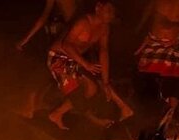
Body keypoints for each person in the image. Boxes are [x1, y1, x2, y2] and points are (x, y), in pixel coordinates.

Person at [47, 0, 133, 129]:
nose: (111, 15)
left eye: (113, 12)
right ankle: (61, 114)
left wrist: (105, 81)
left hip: (76, 60)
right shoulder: (83, 22)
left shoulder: (104, 27)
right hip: (58, 58)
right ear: (98, 8)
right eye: (108, 11)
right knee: (86, 92)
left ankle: (124, 108)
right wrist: (86, 64)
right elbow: (66, 45)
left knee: (94, 87)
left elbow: (104, 51)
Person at [15, 0, 78, 119]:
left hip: (68, 35)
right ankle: (36, 105)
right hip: (77, 35)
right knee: (47, 71)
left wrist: (26, 39)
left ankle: (30, 108)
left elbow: (43, 18)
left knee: (42, 69)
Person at [135, 0, 179, 114]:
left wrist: (172, 25)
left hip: (172, 44)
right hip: (153, 43)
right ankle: (152, 116)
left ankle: (170, 116)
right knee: (148, 81)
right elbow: (147, 15)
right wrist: (139, 31)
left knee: (172, 83)